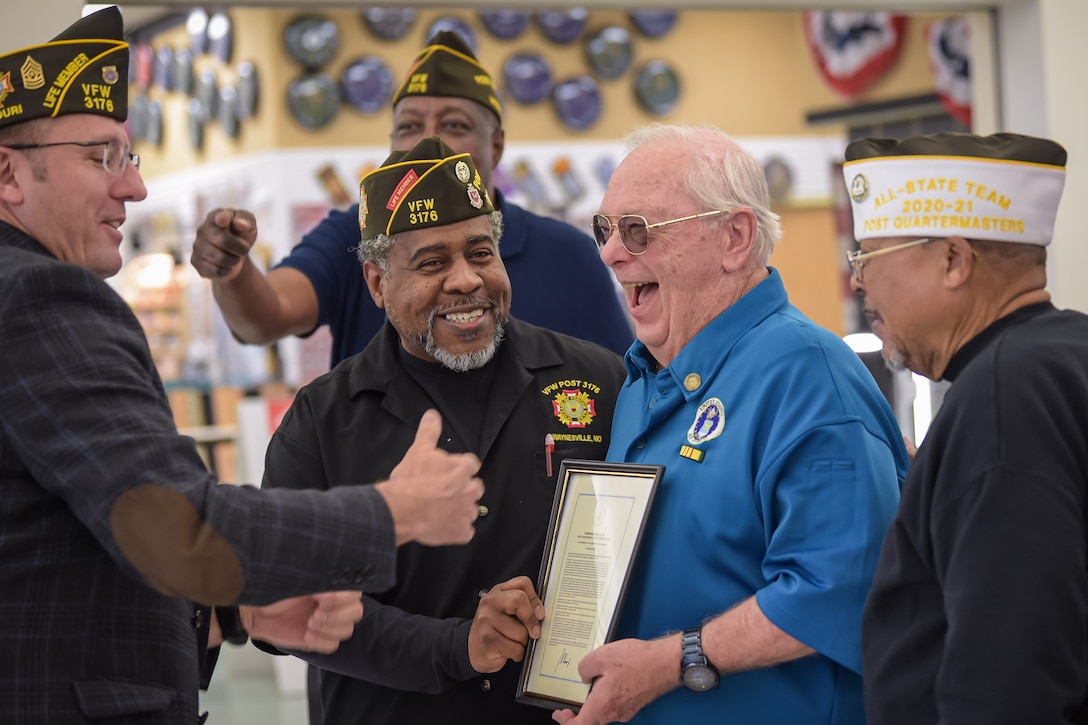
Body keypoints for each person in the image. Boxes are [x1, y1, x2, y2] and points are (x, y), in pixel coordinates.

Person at [0, 10, 486, 724]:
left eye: (129, 156)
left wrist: (228, 608)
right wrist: (394, 511)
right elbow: (170, 522)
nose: (133, 188)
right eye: (103, 155)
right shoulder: (40, 297)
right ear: (8, 173)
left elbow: (56, 548)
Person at [253, 135, 627, 725]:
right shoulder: (322, 422)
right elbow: (281, 608)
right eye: (432, 263)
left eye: (481, 253)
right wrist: (456, 646)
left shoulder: (598, 380)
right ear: (377, 284)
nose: (466, 281)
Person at [552, 123, 909, 725]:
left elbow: (837, 587)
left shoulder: (809, 377)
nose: (612, 253)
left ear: (735, 237)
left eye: (638, 229)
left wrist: (670, 663)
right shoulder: (640, 380)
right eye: (604, 230)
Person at [190, 30, 633, 365]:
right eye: (409, 127)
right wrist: (232, 270)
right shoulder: (356, 235)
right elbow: (267, 316)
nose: (429, 142)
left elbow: (622, 387)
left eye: (455, 125)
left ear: (495, 146)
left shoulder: (567, 256)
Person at [843, 132, 1087, 724]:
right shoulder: (1065, 352)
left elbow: (1008, 676)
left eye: (869, 257)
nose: (859, 283)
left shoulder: (1006, 394)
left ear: (953, 260)